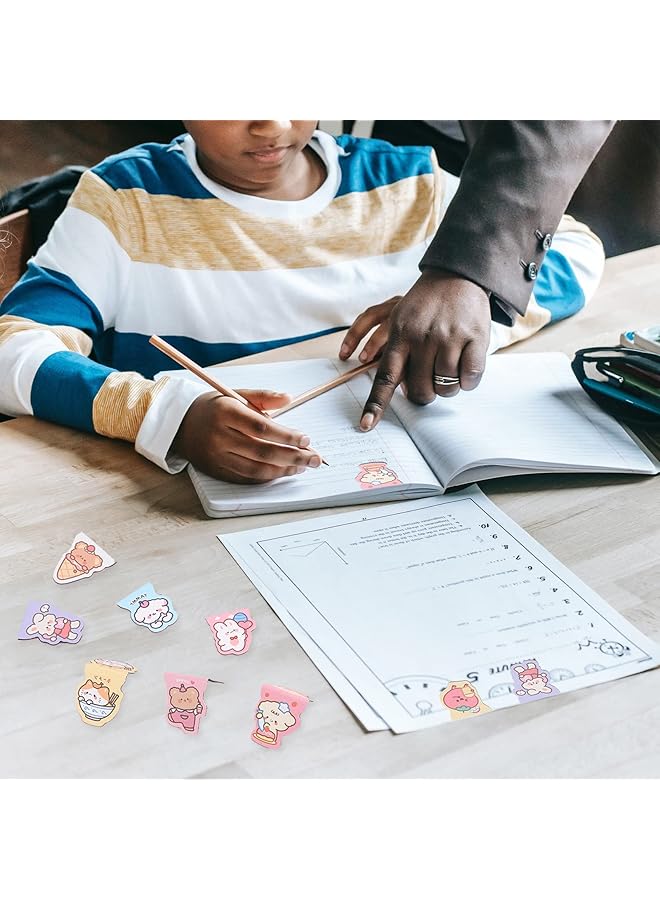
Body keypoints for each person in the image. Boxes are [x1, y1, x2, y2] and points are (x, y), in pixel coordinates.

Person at [0, 121, 604, 484]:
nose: (272, 124)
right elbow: (12, 352)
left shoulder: (407, 181)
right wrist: (164, 416)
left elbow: (577, 250)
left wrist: (466, 316)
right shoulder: (124, 200)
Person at [347, 121, 630, 432]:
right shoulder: (384, 171)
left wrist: (471, 298)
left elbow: (578, 250)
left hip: (545, 153)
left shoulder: (415, 179)